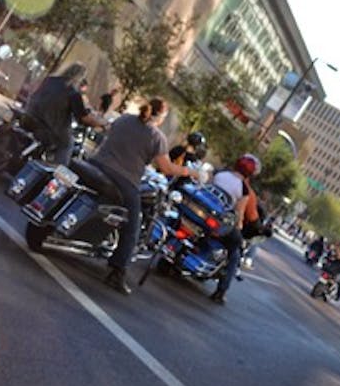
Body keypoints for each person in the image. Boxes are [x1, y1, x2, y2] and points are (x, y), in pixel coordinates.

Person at [91, 98, 200, 295]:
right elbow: (166, 167)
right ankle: (118, 271)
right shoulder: (156, 136)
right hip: (123, 179)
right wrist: (190, 173)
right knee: (133, 224)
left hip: (96, 164)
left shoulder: (124, 119)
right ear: (161, 116)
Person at [23, 63, 106, 165]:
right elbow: (83, 118)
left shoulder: (49, 80)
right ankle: (57, 173)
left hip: (29, 115)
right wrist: (102, 124)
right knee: (68, 143)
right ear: (79, 77)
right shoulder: (73, 93)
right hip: (48, 127)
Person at [208, 153, 261, 304]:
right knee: (236, 252)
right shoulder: (244, 189)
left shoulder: (220, 174)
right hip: (220, 223)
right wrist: (239, 227)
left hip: (204, 213)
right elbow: (239, 214)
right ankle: (221, 291)